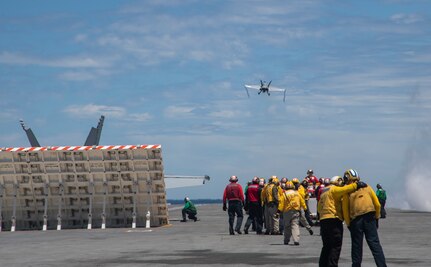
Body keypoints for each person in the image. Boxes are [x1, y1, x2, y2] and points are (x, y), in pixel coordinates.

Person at [318, 171, 367, 267]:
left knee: (326, 246)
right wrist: (357, 185)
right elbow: (346, 189)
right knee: (335, 245)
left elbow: (319, 208)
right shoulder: (334, 189)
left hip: (323, 221)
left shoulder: (324, 191)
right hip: (334, 220)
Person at [343, 173, 387, 267]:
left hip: (356, 220)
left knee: (356, 246)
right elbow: (377, 205)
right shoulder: (367, 187)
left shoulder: (347, 191)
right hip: (370, 217)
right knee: (374, 244)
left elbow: (345, 210)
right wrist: (376, 218)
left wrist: (348, 224)